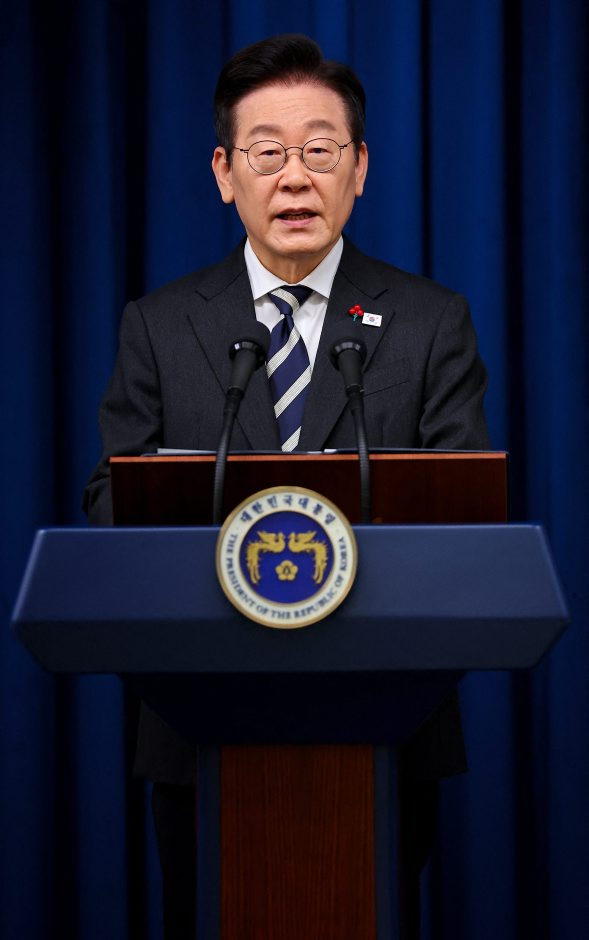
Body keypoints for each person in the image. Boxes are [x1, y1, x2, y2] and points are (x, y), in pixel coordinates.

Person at [84, 34, 490, 939]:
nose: (295, 178)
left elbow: (460, 504)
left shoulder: (430, 323)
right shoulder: (160, 325)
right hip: (201, 721)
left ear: (359, 169)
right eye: (267, 153)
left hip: (385, 718)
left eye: (319, 150)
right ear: (224, 173)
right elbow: (112, 497)